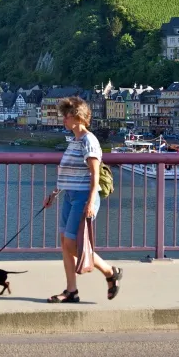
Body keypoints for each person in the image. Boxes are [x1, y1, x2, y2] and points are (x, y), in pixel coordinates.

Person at [44, 96, 122, 303]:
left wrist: (89, 202)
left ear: (78, 117)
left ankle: (109, 271)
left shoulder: (89, 140)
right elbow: (70, 173)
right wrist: (54, 193)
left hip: (83, 197)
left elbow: (94, 174)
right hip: (70, 195)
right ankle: (71, 291)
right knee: (65, 242)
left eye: (67, 116)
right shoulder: (75, 141)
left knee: (72, 244)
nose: (64, 120)